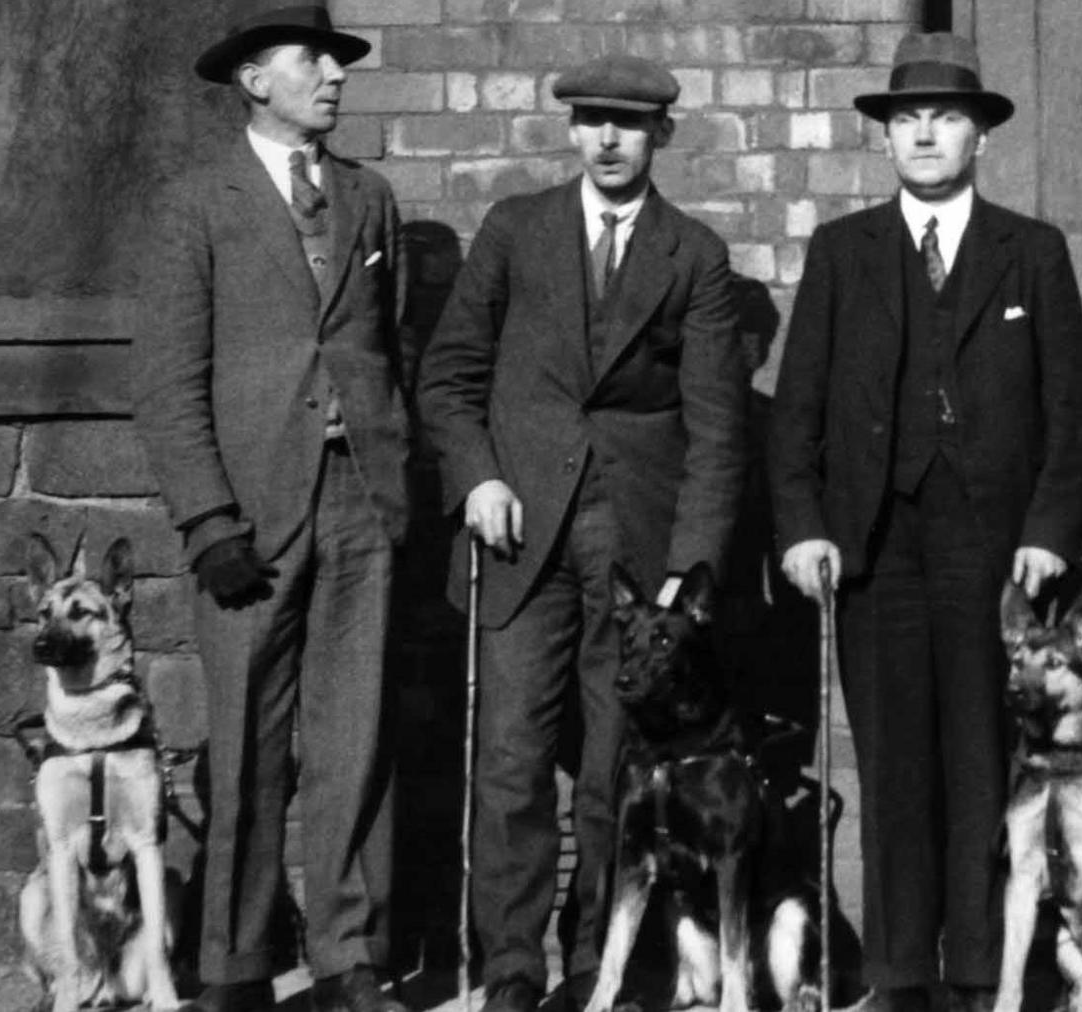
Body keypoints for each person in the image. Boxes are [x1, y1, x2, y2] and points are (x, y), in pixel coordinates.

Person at [767, 31, 1082, 1012]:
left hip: (994, 545)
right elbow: (798, 408)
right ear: (885, 137)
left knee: (982, 754)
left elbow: (1072, 409)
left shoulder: (1032, 252)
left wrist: (1049, 525)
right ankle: (900, 971)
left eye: (946, 116)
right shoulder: (843, 251)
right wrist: (800, 526)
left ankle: (977, 969)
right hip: (875, 540)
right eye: (907, 117)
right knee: (894, 755)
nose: (925, 133)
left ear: (979, 138)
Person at [414, 54, 747, 1012]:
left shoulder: (695, 256)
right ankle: (513, 970)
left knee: (614, 770)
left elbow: (718, 429)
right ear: (571, 130)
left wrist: (692, 568)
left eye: (629, 125)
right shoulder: (516, 232)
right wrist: (475, 477)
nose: (607, 140)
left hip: (637, 553)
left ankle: (594, 964)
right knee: (513, 760)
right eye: (592, 121)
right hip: (520, 537)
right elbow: (449, 378)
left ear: (661, 137)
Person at [133, 1, 411, 1010]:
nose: (333, 77)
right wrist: (207, 519)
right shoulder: (194, 204)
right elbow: (166, 378)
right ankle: (236, 963)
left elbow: (390, 351)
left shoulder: (370, 200)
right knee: (247, 743)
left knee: (355, 737)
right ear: (255, 79)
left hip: (357, 504)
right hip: (248, 516)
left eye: (337, 62)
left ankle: (347, 959)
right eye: (311, 61)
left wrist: (393, 490)